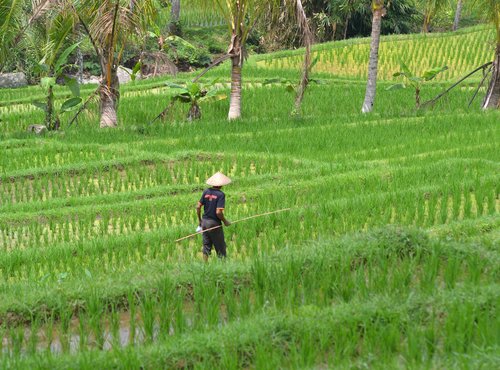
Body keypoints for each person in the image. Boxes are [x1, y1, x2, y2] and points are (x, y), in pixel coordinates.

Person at [196, 172, 231, 261]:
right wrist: (225, 221)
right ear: (221, 184)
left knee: (206, 246)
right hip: (214, 223)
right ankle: (223, 267)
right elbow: (218, 212)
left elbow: (198, 207)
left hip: (204, 222)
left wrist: (200, 221)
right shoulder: (221, 195)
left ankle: (205, 267)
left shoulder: (206, 191)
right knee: (220, 247)